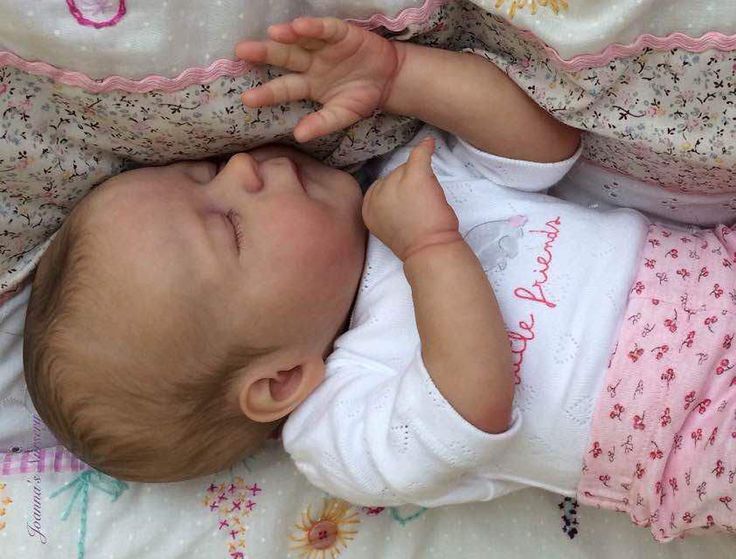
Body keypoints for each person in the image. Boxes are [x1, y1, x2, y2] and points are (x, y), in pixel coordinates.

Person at [22, 18, 735, 541]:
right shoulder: (340, 431)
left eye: (206, 173)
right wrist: (427, 247)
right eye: (228, 226)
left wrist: (399, 76)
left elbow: (544, 144)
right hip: (692, 430)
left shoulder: (397, 181)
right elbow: (472, 402)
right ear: (279, 380)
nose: (242, 169)